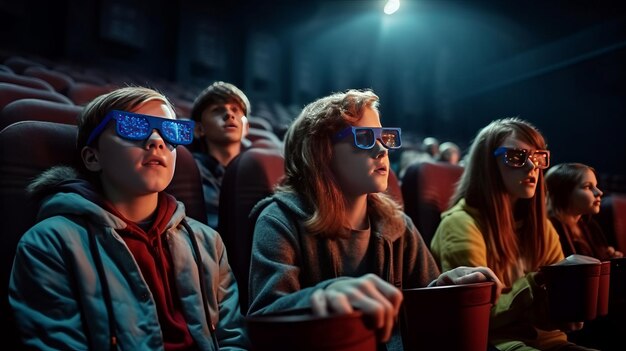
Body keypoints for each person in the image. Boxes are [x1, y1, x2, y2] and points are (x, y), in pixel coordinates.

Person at [247, 89, 502, 350]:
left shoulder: (399, 225)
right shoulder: (279, 219)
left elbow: (421, 316)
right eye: (365, 138)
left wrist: (441, 289)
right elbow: (265, 317)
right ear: (320, 151)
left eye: (385, 137)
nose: (381, 149)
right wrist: (321, 296)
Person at [9, 87, 248, 350]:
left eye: (170, 131)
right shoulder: (49, 244)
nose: (157, 141)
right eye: (133, 127)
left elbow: (232, 338)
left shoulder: (207, 241)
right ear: (92, 157)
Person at [430, 117, 598, 350]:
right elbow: (480, 316)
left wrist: (565, 306)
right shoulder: (460, 224)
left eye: (537, 157)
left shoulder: (542, 226)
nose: (532, 167)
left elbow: (551, 309)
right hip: (497, 342)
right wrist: (538, 282)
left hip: (549, 340)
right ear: (487, 165)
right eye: (516, 157)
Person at [191, 81, 251, 228]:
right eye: (217, 110)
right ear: (199, 129)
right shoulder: (191, 170)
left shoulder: (257, 170)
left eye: (236, 110)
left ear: (246, 128)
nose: (229, 114)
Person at [546, 163, 623, 260]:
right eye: (588, 187)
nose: (599, 192)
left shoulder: (590, 225)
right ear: (564, 193)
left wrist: (610, 259)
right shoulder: (550, 230)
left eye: (595, 186)